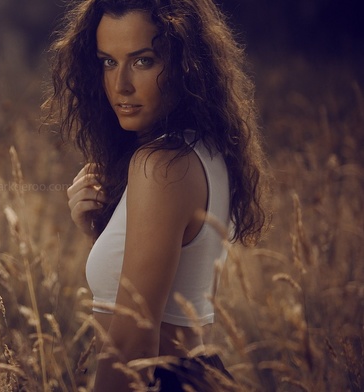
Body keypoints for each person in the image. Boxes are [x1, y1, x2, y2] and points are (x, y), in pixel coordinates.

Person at [44, 0, 269, 390]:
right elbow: (157, 287)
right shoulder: (201, 150)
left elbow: (134, 343)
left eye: (143, 61)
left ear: (185, 64)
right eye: (107, 62)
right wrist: (99, 231)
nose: (120, 85)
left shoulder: (160, 165)